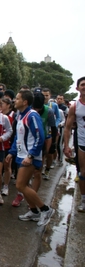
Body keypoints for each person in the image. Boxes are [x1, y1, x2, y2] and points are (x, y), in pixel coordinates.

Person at [6, 89, 55, 227]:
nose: (15, 100)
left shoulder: (32, 115)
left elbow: (40, 137)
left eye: (17, 98)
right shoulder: (20, 115)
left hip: (30, 157)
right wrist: (12, 152)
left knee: (20, 185)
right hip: (21, 155)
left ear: (25, 101)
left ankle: (46, 209)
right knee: (24, 186)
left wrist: (31, 155)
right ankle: (34, 211)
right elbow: (18, 137)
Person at [64, 76, 85, 212]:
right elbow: (67, 127)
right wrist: (66, 146)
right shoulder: (75, 106)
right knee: (83, 172)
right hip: (82, 142)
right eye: (82, 84)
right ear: (77, 88)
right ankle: (84, 200)